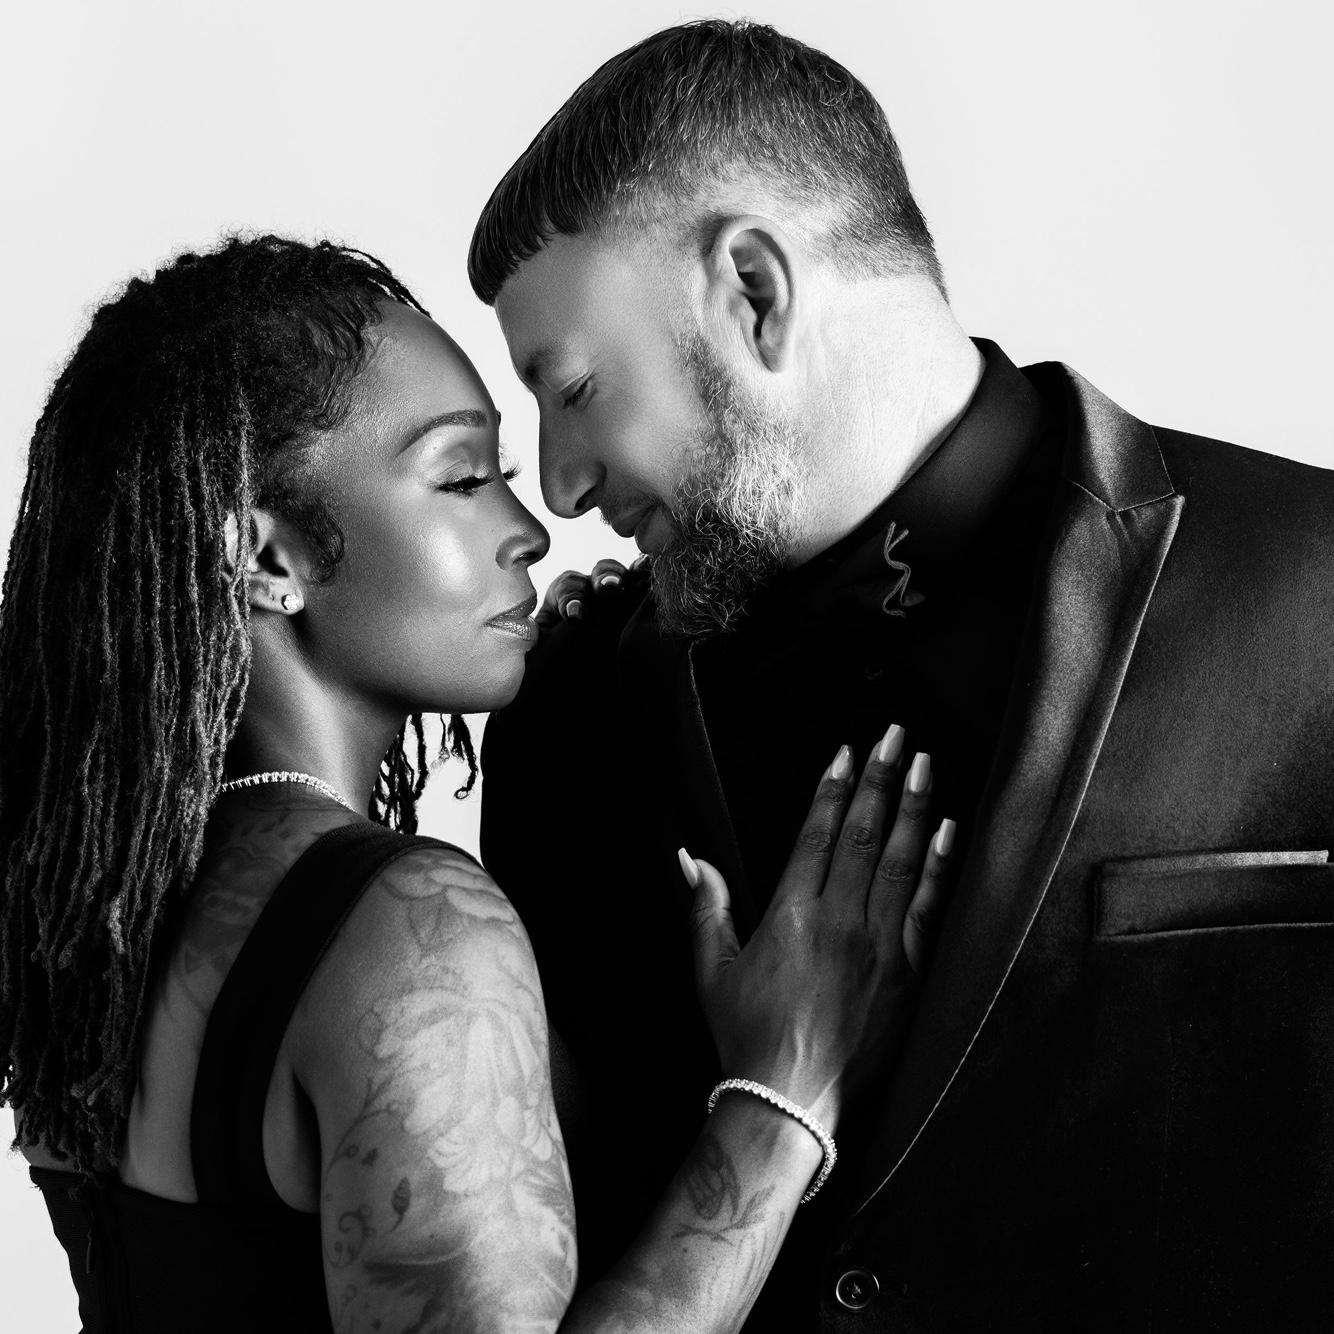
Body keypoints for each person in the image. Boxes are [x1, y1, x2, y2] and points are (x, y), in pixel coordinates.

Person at [468, 18, 1334, 1331]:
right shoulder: (571, 709)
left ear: (754, 291)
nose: (558, 482)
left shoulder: (1314, 583)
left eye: (576, 388)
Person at [0, 234, 956, 1333]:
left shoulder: (97, 906)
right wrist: (783, 1096)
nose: (529, 530)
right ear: (267, 558)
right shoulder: (406, 927)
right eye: (461, 478)